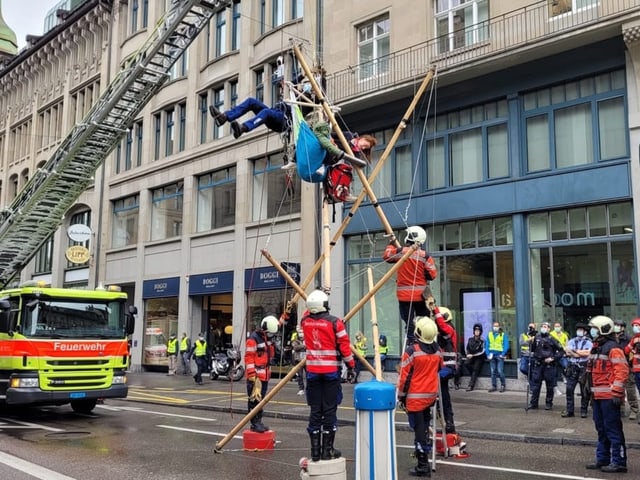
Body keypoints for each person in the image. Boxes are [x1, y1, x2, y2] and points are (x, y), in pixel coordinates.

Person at [301, 290, 355, 462]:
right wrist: (351, 365)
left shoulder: (305, 322)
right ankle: (327, 450)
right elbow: (344, 347)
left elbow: (306, 313)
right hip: (331, 374)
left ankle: (315, 452)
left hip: (312, 374)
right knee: (330, 411)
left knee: (315, 411)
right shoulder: (335, 323)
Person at [397, 316, 443, 477]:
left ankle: (423, 465)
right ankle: (423, 456)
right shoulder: (437, 351)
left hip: (415, 398)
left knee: (418, 431)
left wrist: (401, 396)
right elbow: (439, 368)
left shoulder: (412, 351)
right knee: (424, 429)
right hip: (430, 397)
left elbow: (404, 377)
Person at [585, 315, 629, 473]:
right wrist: (587, 389)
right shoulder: (596, 347)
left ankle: (619, 461)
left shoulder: (613, 348)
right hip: (597, 397)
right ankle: (603, 458)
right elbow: (591, 371)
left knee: (613, 429)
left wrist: (617, 392)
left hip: (609, 397)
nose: (592, 331)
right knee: (601, 429)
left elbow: (622, 372)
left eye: (594, 329)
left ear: (603, 330)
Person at [383, 226, 438, 344]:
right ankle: (424, 342)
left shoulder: (402, 252)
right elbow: (433, 275)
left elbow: (387, 256)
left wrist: (391, 244)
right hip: (421, 296)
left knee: (409, 323)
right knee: (423, 322)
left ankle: (411, 342)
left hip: (404, 297)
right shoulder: (425, 256)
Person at [245, 315, 279, 433]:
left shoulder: (266, 339)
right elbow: (249, 358)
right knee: (254, 401)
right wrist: (252, 375)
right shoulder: (253, 339)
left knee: (261, 401)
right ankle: (254, 424)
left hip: (264, 375)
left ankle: (258, 422)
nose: (271, 336)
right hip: (256, 377)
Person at [429, 303, 457, 434]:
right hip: (442, 368)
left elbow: (443, 328)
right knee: (445, 395)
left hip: (448, 367)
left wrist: (434, 310)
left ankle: (438, 409)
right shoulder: (439, 333)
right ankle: (449, 421)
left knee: (433, 380)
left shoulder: (449, 329)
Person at [528, 321, 564, 411]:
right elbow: (532, 350)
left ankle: (548, 404)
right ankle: (533, 403)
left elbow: (561, 351)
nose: (543, 328)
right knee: (536, 385)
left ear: (548, 329)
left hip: (548, 365)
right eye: (542, 326)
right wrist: (530, 341)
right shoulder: (536, 337)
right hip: (538, 364)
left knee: (550, 385)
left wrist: (553, 358)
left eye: (545, 327)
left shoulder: (552, 339)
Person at [209, 99, 289, 139]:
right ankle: (224, 117)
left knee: (266, 112)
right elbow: (295, 81)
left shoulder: (300, 97)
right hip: (276, 112)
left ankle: (243, 128)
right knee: (251, 102)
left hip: (284, 120)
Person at [561, 322, 592, 418]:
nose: (579, 331)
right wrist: (578, 353)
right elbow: (567, 351)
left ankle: (584, 411)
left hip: (583, 367)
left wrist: (574, 352)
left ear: (585, 332)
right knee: (569, 389)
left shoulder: (589, 342)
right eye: (578, 330)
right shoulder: (572, 341)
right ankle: (570, 411)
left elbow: (587, 353)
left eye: (581, 330)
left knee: (584, 391)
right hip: (573, 367)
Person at [615, 319, 639, 421]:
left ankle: (634, 410)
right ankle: (621, 409)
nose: (616, 327)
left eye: (618, 325)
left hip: (628, 367)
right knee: (619, 389)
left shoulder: (629, 338)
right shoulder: (611, 339)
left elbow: (629, 351)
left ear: (623, 328)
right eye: (615, 325)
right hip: (616, 368)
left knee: (630, 390)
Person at [623, 317, 640, 425]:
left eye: (637, 326)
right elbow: (626, 350)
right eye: (634, 326)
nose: (635, 328)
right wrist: (634, 346)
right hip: (636, 369)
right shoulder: (634, 339)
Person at [485, 321, 510, 393]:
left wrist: (503, 353)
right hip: (491, 355)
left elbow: (506, 345)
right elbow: (487, 345)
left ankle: (503, 385)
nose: (495, 327)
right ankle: (494, 386)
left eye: (497, 326)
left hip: (499, 355)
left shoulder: (503, 335)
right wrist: (488, 354)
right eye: (494, 326)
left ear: (499, 327)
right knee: (493, 372)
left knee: (500, 371)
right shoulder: (489, 334)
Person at [463, 323, 486, 391]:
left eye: (478, 331)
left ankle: (470, 386)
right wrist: (468, 354)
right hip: (471, 356)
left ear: (480, 332)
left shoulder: (482, 341)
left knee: (475, 369)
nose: (477, 332)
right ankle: (473, 374)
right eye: (475, 330)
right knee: (466, 364)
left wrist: (473, 355)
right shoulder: (470, 339)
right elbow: (467, 348)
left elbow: (482, 351)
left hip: (479, 357)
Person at [550, 322, 570, 396]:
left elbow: (567, 345)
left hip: (562, 355)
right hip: (554, 355)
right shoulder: (551, 334)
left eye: (558, 326)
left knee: (566, 366)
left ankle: (564, 376)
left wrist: (566, 352)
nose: (557, 328)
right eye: (555, 326)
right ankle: (555, 389)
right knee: (554, 373)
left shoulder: (564, 335)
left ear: (561, 327)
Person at [290, 326, 306, 396]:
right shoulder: (295, 340)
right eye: (300, 332)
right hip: (298, 360)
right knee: (300, 376)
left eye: (302, 332)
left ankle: (309, 389)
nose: (301, 334)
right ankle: (301, 389)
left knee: (309, 375)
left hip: (306, 360)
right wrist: (304, 346)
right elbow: (296, 347)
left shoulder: (307, 339)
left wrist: (303, 346)